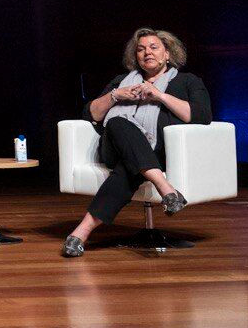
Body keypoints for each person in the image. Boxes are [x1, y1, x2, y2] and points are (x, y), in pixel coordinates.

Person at [61, 27, 212, 257]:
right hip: (113, 149)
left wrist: (159, 95)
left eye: (153, 47)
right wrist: (115, 96)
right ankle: (166, 189)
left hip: (155, 153)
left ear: (168, 54)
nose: (146, 53)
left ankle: (80, 233)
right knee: (117, 122)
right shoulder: (121, 82)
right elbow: (91, 114)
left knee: (128, 170)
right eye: (140, 49)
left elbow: (201, 115)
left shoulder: (186, 81)